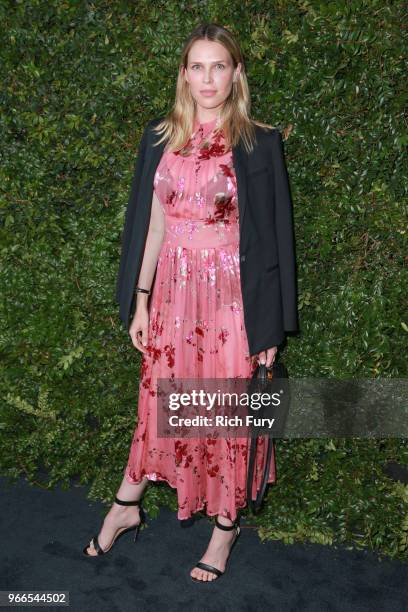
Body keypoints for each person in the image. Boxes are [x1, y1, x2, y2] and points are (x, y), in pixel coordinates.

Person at [83, 23, 299, 583]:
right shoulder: (161, 137)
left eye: (219, 66)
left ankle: (224, 529)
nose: (208, 78)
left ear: (236, 73)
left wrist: (270, 327)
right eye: (197, 67)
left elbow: (276, 240)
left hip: (232, 303)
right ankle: (127, 504)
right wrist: (140, 302)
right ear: (184, 74)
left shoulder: (258, 141)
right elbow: (151, 229)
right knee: (159, 407)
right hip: (173, 299)